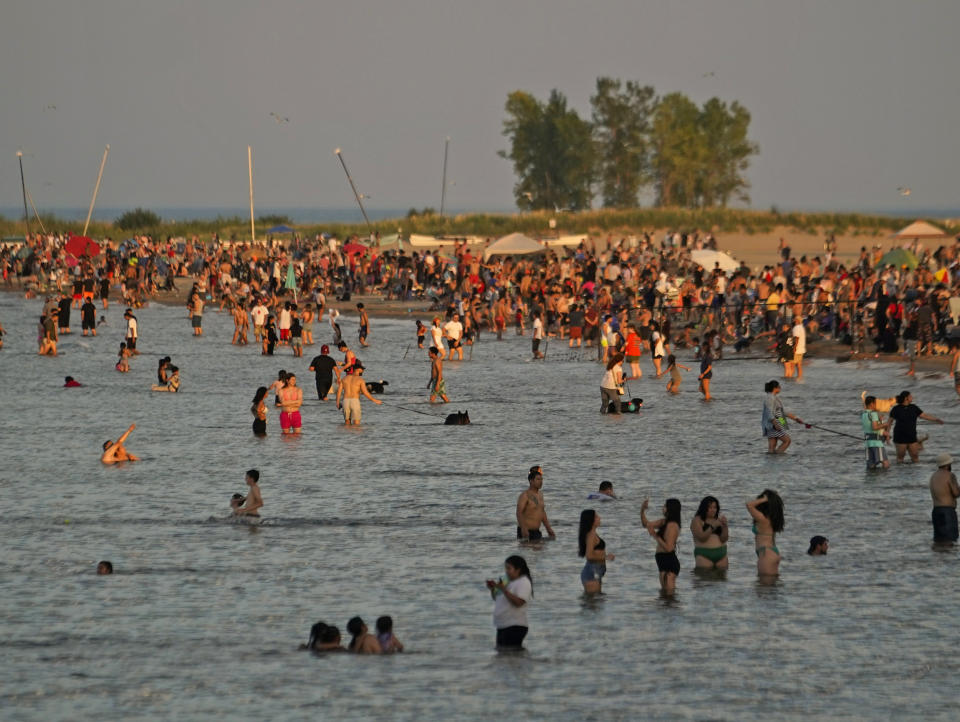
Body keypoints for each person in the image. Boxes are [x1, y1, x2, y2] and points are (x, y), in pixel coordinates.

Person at [486, 555, 533, 650]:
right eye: (505, 568)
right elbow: (497, 599)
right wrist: (492, 589)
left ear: (518, 569)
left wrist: (504, 590)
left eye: (509, 568)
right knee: (503, 656)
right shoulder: (507, 582)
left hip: (515, 626)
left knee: (512, 657)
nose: (506, 571)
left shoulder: (523, 582)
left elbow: (519, 602)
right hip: (503, 625)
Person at [641, 498, 681, 595]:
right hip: (662, 562)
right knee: (664, 596)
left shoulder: (672, 526)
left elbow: (669, 548)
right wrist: (642, 510)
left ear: (670, 509)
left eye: (665, 506)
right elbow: (646, 524)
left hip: (669, 562)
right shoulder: (664, 522)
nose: (663, 508)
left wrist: (655, 535)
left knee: (670, 595)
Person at [890, 391, 943, 463]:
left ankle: (914, 472)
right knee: (900, 458)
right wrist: (887, 433)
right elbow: (890, 422)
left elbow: (924, 416)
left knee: (915, 457)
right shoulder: (896, 409)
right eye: (910, 396)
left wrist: (936, 419)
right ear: (906, 398)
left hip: (912, 436)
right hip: (900, 436)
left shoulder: (914, 407)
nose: (912, 397)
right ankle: (901, 473)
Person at [747, 489, 784, 577]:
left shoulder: (762, 519)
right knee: (771, 587)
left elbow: (749, 505)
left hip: (766, 554)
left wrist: (764, 499)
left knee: (763, 586)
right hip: (772, 552)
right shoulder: (772, 520)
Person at [761, 380, 804, 454]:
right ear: (775, 388)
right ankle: (778, 456)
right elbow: (769, 412)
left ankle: (772, 462)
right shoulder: (770, 397)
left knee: (772, 446)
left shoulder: (774, 397)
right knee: (787, 440)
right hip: (773, 424)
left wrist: (796, 419)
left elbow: (783, 412)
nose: (780, 388)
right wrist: (775, 424)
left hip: (776, 423)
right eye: (779, 387)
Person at [578, 509, 614, 593]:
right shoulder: (591, 535)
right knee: (593, 603)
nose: (600, 518)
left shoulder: (593, 534)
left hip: (595, 572)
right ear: (591, 520)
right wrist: (606, 557)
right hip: (592, 573)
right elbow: (589, 555)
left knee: (596, 602)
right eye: (597, 516)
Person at [516, 466, 556, 541]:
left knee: (541, 551)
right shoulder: (525, 495)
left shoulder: (540, 495)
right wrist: (523, 529)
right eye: (538, 479)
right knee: (527, 552)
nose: (541, 482)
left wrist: (548, 528)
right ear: (531, 481)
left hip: (536, 532)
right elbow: (519, 513)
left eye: (541, 479)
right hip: (526, 532)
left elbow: (542, 512)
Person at [690, 496, 728, 570]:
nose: (713, 510)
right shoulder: (697, 520)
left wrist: (725, 526)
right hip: (704, 555)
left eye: (715, 507)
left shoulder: (718, 520)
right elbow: (701, 538)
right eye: (710, 507)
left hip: (721, 555)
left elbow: (724, 539)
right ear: (704, 508)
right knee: (705, 579)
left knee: (722, 580)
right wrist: (713, 526)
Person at [930, 453, 959, 543]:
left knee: (939, 541)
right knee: (950, 540)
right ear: (947, 464)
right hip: (948, 512)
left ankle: (940, 557)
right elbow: (956, 493)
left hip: (936, 511)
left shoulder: (933, 476)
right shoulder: (950, 475)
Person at [861, 395, 891, 470]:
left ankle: (871, 480)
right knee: (886, 463)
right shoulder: (873, 414)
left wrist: (880, 420)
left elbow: (870, 426)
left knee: (871, 466)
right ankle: (886, 481)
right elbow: (874, 427)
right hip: (876, 443)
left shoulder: (864, 414)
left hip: (868, 443)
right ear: (871, 404)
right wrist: (885, 424)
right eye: (876, 403)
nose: (877, 405)